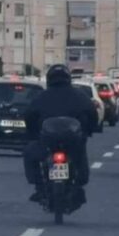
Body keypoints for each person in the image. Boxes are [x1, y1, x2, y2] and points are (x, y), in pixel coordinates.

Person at [23, 64, 97, 203]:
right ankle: (72, 186)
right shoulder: (79, 95)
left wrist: (32, 134)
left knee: (29, 153)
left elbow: (29, 115)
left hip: (49, 142)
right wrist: (91, 129)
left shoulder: (42, 96)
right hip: (71, 141)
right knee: (80, 156)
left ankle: (39, 186)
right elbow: (92, 112)